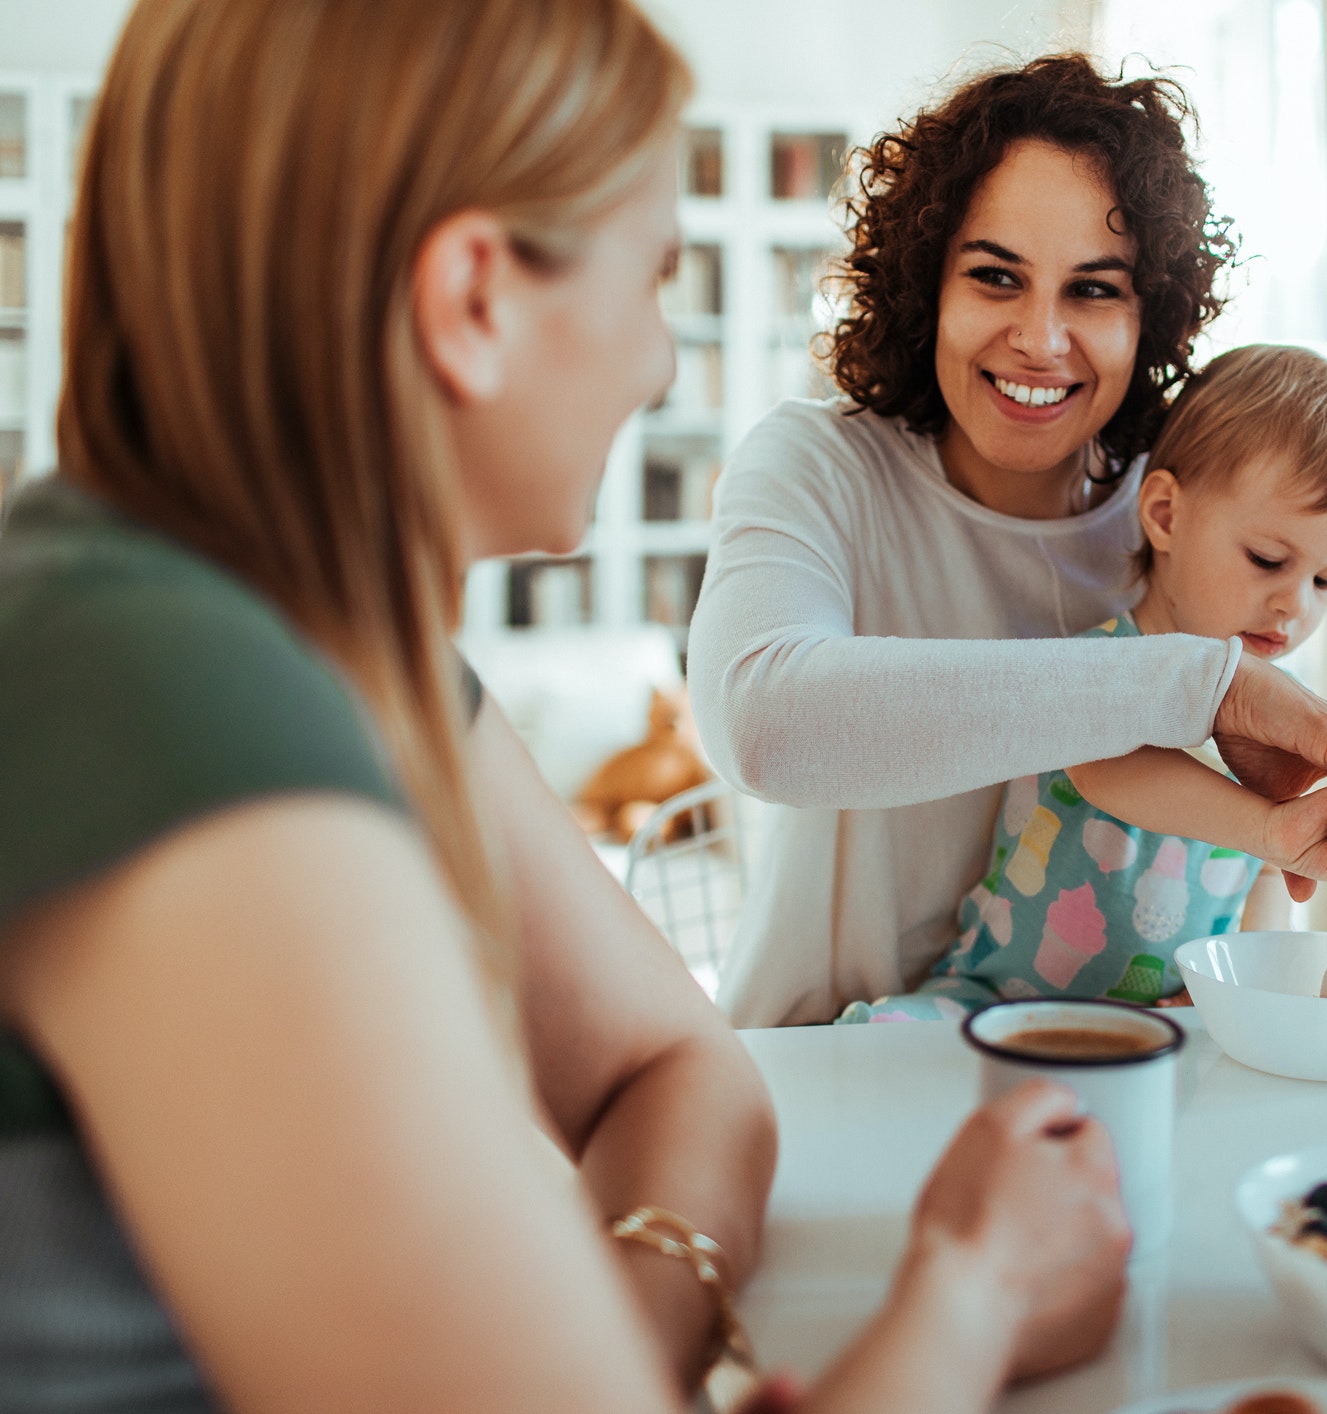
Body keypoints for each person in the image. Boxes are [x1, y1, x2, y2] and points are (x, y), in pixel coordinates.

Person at [0, 2, 1126, 1410]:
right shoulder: (168, 698)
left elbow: (676, 1067)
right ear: (474, 300)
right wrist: (975, 1291)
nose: (660, 360)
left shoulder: (328, 642)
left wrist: (622, 1334)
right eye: (652, 275)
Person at [690, 55, 1327, 1030]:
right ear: (925, 283)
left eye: (1094, 291)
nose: (1042, 339)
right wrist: (1206, 682)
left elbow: (1243, 862)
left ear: (1152, 314)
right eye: (995, 277)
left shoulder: (1188, 521)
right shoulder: (816, 464)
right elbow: (763, 726)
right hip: (817, 1062)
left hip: (1094, 1078)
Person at [839, 344, 1327, 1021]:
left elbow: (1265, 895)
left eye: (1326, 581)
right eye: (1266, 559)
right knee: (887, 1043)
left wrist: (1235, 984)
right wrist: (1273, 827)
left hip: (1155, 1026)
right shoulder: (1098, 669)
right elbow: (1110, 766)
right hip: (996, 1002)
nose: (1294, 605)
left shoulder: (1286, 726)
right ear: (1163, 515)